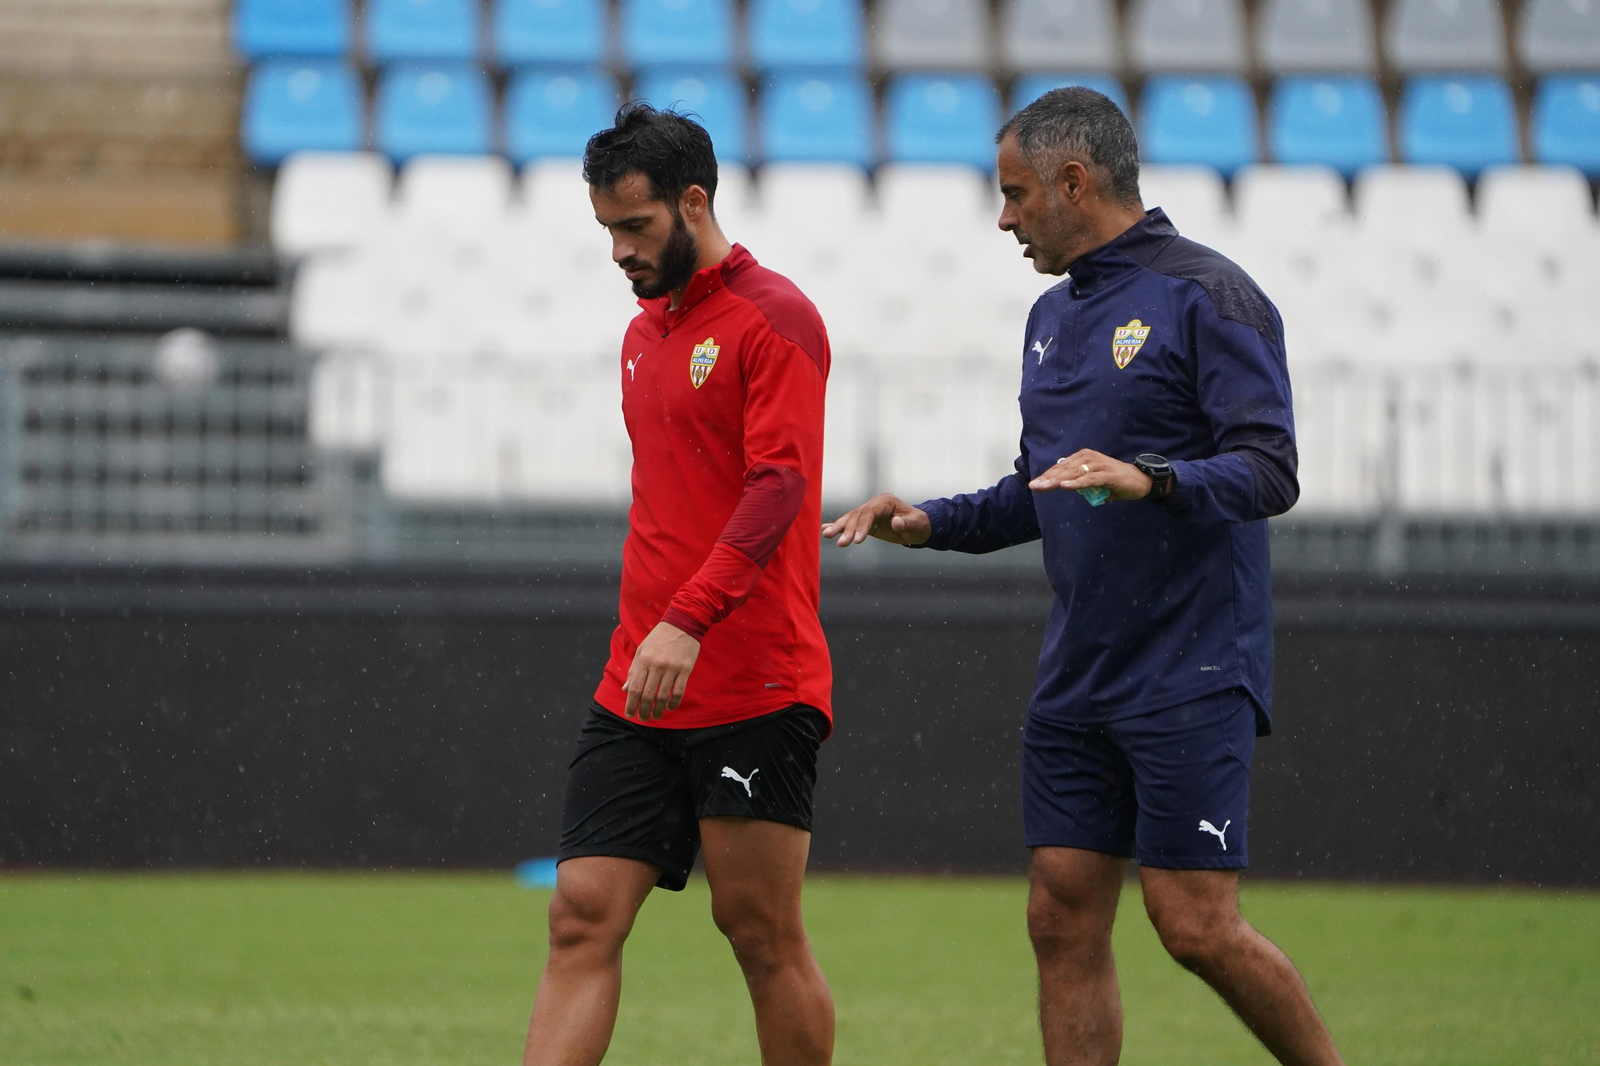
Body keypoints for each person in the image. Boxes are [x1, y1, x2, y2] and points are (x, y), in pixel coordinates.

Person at [822, 88, 1345, 1066]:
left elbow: (1270, 470)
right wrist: (928, 521)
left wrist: (1150, 478)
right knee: (1058, 915)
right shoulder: (1046, 318)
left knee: (1193, 925)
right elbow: (1045, 489)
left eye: (1016, 194)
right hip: (1078, 673)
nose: (1004, 217)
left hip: (1190, 665)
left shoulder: (1209, 295)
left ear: (1074, 182)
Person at [523, 104, 835, 1066]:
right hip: (640, 678)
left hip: (750, 677)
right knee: (580, 914)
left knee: (758, 934)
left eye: (635, 226)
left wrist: (689, 619)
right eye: (607, 230)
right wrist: (657, 632)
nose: (618, 250)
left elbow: (778, 484)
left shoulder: (775, 317)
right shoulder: (641, 334)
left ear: (693, 202)